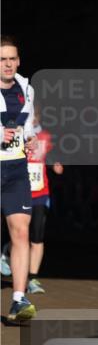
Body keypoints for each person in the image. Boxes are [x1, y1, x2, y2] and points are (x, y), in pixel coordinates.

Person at [0, 35, 37, 322]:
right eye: (2, 59)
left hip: (15, 170)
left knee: (21, 231)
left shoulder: (26, 88)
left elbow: (30, 124)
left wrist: (32, 139)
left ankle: (18, 300)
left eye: (12, 58)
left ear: (19, 61)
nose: (8, 63)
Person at [25, 124, 63, 294]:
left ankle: (32, 278)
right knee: (18, 234)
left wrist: (56, 164)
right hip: (18, 192)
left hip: (40, 193)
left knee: (37, 236)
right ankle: (6, 254)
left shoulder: (45, 136)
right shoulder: (14, 133)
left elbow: (54, 156)